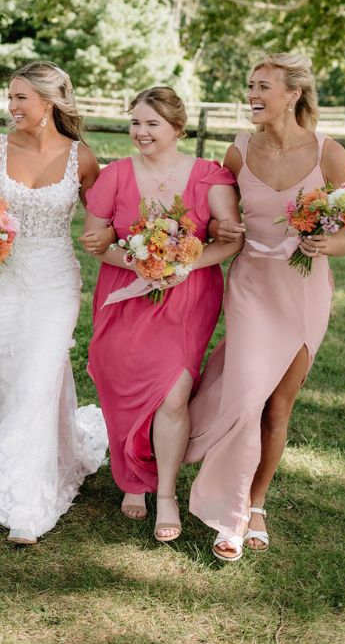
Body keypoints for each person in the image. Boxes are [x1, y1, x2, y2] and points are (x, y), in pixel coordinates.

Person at [185, 52, 345, 561]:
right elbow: (221, 221)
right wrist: (219, 229)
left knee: (278, 408)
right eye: (250, 86)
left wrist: (328, 245)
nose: (252, 96)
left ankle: (256, 503)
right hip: (252, 286)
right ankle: (229, 514)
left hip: (304, 292)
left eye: (262, 87)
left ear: (293, 94)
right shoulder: (237, 152)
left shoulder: (330, 153)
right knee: (244, 399)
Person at [0, 61, 108, 545]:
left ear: (51, 101)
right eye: (11, 97)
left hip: (56, 280)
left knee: (41, 374)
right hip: (5, 279)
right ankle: (50, 448)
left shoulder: (81, 158)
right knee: (13, 374)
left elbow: (103, 217)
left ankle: (29, 502)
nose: (12, 106)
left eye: (22, 98)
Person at [82, 86, 242, 541]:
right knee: (120, 385)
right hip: (125, 294)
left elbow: (230, 241)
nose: (141, 132)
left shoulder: (209, 176)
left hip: (187, 297)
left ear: (176, 127)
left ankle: (166, 492)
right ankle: (132, 476)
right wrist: (141, 263)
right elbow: (97, 241)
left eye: (152, 123)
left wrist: (178, 265)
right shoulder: (114, 175)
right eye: (135, 122)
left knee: (173, 395)